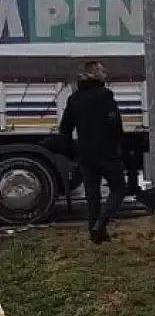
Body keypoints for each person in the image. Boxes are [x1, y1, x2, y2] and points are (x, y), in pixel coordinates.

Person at [57, 61, 127, 243]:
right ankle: (101, 223)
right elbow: (115, 124)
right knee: (119, 189)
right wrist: (120, 146)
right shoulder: (105, 96)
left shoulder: (74, 99)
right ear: (96, 74)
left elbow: (64, 128)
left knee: (92, 194)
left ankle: (95, 234)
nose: (106, 73)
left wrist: (74, 150)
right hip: (107, 152)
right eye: (103, 70)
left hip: (86, 154)